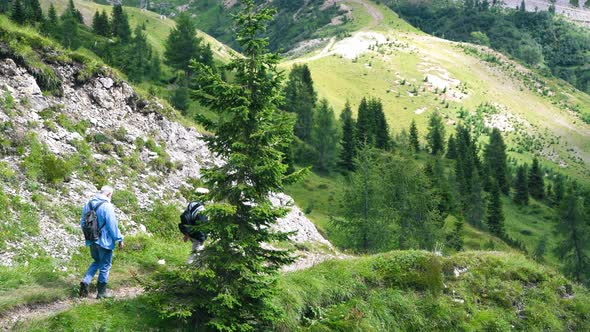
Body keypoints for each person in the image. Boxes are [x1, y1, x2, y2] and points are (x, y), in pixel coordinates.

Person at [79, 185, 124, 299]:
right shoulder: (107, 206)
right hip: (105, 241)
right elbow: (112, 225)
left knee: (97, 261)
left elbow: (83, 223)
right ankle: (102, 293)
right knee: (105, 265)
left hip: (92, 239)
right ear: (109, 194)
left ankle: (85, 281)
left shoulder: (88, 204)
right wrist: (119, 239)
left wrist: (89, 237)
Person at [179, 188, 209, 264]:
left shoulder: (192, 204)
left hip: (190, 231)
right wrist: (202, 238)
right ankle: (188, 269)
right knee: (196, 251)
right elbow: (201, 223)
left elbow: (187, 218)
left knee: (198, 251)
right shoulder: (201, 208)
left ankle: (195, 267)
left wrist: (187, 234)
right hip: (197, 234)